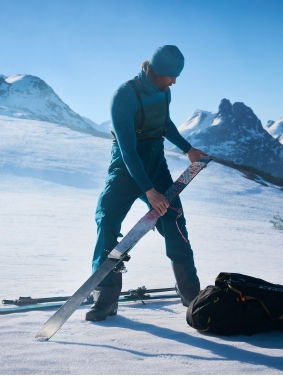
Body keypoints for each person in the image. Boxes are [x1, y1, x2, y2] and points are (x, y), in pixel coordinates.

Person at [86, 45, 208, 321]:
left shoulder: (164, 91)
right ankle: (105, 298)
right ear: (158, 71)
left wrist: (187, 149)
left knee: (174, 219)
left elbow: (164, 123)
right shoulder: (124, 96)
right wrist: (149, 191)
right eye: (172, 76)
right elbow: (128, 151)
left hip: (155, 163)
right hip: (125, 168)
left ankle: (190, 293)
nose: (175, 81)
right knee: (106, 222)